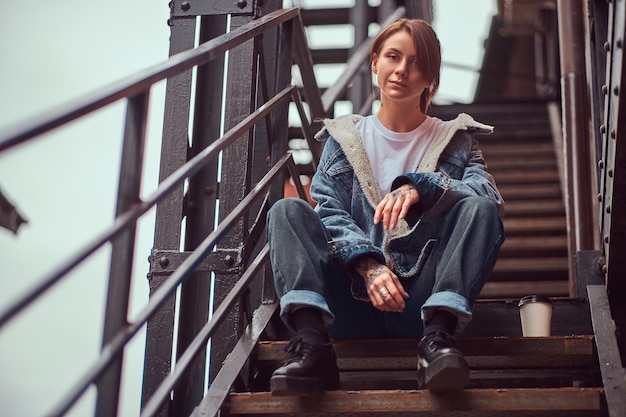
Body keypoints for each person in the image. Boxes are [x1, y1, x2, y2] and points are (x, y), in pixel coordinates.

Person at [266, 18, 505, 396]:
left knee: (479, 209)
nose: (402, 70)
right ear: (375, 62)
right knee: (287, 211)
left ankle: (439, 341)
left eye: (417, 62)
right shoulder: (343, 138)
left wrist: (422, 187)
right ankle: (312, 346)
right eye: (393, 56)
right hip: (350, 300)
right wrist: (369, 266)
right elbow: (329, 211)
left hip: (422, 305)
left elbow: (487, 197)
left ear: (430, 78)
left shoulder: (455, 140)